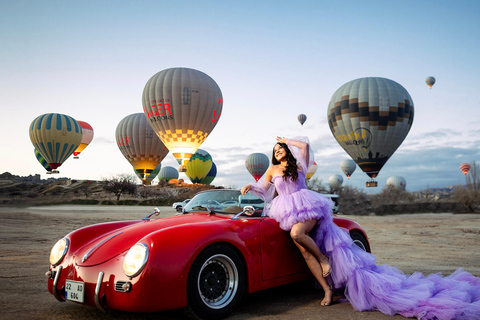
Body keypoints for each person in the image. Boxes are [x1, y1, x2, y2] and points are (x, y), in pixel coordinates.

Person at [241, 136, 480, 319]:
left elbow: (304, 147)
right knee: (303, 250)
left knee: (297, 233)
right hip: (285, 209)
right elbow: (264, 190)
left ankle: (324, 258)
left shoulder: (299, 165)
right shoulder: (272, 170)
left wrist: (284, 138)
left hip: (307, 206)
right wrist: (250, 188)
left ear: (286, 150)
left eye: (280, 147)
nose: (278, 150)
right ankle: (327, 290)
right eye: (275, 149)